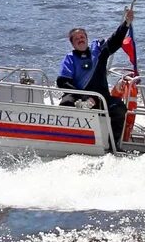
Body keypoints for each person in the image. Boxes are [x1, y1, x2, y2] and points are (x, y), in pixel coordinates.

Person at [56, 7, 135, 144]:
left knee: (119, 108)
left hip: (101, 97)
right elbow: (62, 82)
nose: (80, 40)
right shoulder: (69, 58)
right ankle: (66, 140)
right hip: (80, 95)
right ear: (72, 43)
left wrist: (126, 23)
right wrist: (83, 97)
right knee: (66, 102)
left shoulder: (98, 50)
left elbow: (115, 41)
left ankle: (112, 146)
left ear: (87, 38)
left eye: (82, 37)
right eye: (76, 38)